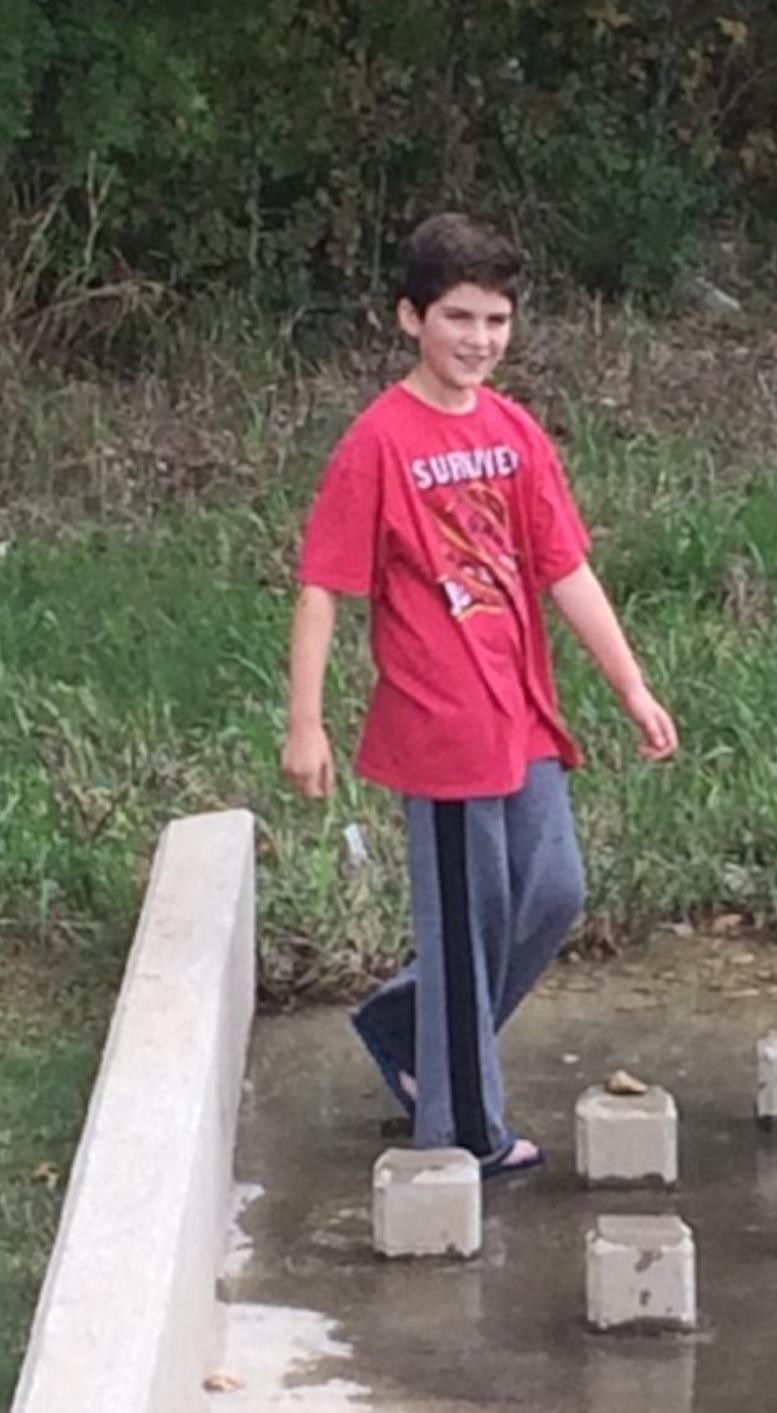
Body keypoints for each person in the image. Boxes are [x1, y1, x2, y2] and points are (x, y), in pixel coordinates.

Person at [280, 212, 677, 1179]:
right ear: (409, 318)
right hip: (440, 726)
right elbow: (322, 586)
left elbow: (566, 569)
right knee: (465, 927)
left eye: (496, 319)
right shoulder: (378, 442)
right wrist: (305, 723)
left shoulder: (511, 432)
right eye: (458, 317)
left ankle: (407, 1027)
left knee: (551, 892)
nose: (479, 340)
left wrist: (630, 685)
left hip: (521, 713)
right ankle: (462, 1131)